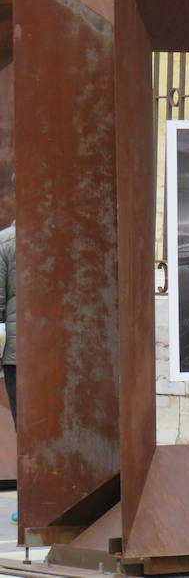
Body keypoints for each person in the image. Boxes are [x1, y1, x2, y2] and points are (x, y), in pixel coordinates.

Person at [0, 221, 15, 525]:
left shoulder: (6, 242)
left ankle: (32, 501)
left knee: (27, 427)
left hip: (20, 353)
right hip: (66, 350)